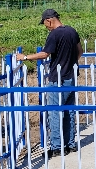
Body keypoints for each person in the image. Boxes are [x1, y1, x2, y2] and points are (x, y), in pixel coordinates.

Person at [16, 9, 83, 154]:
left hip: (57, 79)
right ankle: (70, 144)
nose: (46, 27)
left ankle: (57, 147)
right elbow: (80, 51)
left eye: (45, 23)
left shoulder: (55, 34)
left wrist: (25, 57)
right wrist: (70, 63)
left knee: (55, 113)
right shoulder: (72, 31)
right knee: (69, 111)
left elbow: (45, 54)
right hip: (71, 77)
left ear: (49, 20)